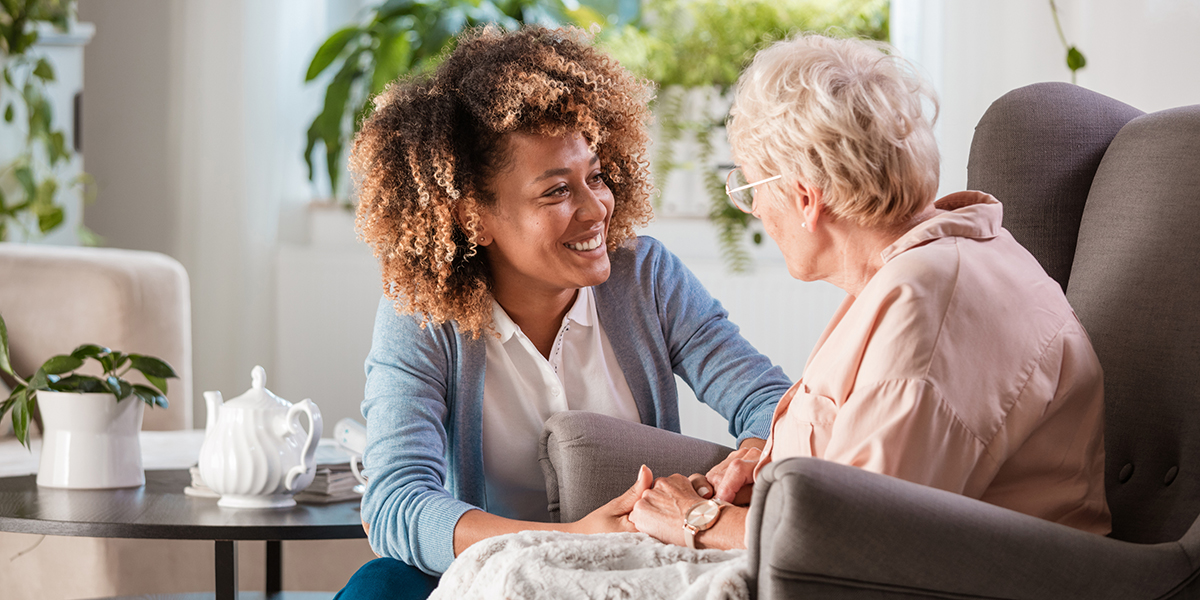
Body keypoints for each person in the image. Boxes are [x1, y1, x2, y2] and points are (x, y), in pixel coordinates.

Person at [335, 26, 792, 598]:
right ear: (472, 217)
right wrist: (563, 538)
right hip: (488, 571)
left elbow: (770, 402)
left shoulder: (645, 277)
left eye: (595, 177)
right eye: (555, 191)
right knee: (378, 586)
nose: (596, 207)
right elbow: (397, 500)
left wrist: (745, 463)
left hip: (637, 565)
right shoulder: (423, 314)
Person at [628, 33, 1111, 550]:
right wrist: (770, 469)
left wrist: (698, 519)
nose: (758, 212)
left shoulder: (928, 305)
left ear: (805, 197)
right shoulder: (924, 267)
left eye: (749, 189)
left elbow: (861, 542)